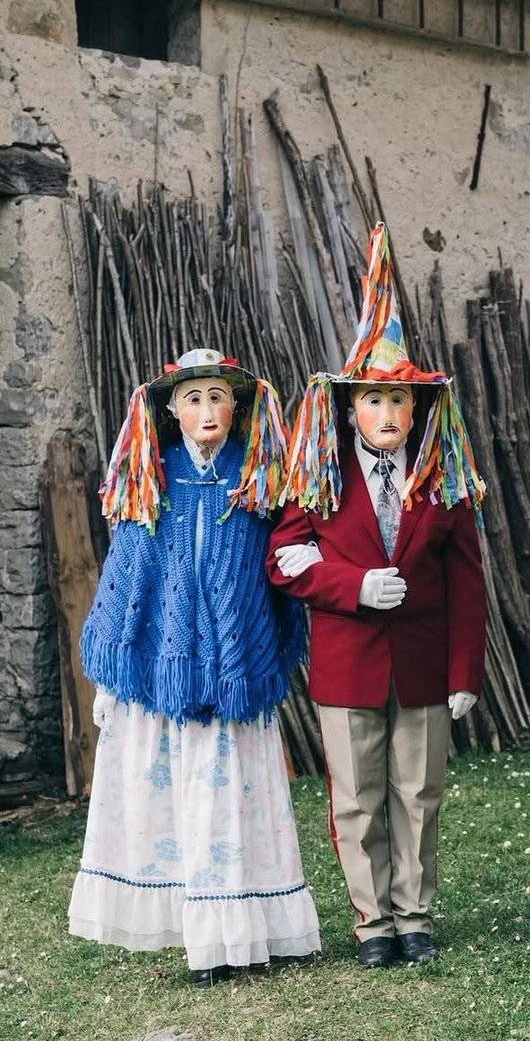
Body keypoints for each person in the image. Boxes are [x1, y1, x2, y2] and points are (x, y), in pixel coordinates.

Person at [267, 221, 486, 969]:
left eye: (399, 405)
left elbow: (467, 581)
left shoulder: (442, 484)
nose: (387, 418)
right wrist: (354, 584)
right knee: (356, 797)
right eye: (372, 403)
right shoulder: (322, 480)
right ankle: (372, 923)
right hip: (347, 661)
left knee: (417, 792)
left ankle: (415, 914)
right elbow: (285, 561)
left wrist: (462, 674)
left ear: (418, 411)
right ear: (349, 409)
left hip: (422, 664)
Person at [68, 349, 321, 986]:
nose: (206, 411)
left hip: (236, 680)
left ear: (237, 407)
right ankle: (197, 937)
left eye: (217, 398)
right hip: (168, 682)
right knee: (179, 805)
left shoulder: (260, 481)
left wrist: (265, 641)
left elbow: (277, 571)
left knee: (235, 804)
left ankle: (245, 931)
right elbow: (131, 579)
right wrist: (110, 677)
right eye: (193, 399)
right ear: (171, 410)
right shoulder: (152, 481)